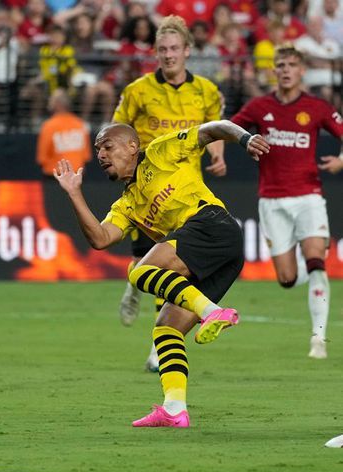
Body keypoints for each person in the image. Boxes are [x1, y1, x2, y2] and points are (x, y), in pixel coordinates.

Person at [53, 120, 269, 427]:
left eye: (107, 146)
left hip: (212, 224)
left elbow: (213, 128)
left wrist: (245, 138)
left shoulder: (160, 151)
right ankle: (174, 409)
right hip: (216, 254)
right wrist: (74, 193)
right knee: (166, 328)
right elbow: (100, 239)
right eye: (98, 149)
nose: (101, 154)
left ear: (132, 146)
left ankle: (212, 312)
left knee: (140, 273)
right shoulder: (126, 204)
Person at [112, 15, 225, 372]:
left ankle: (156, 349)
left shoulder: (206, 91)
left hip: (188, 196)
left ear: (188, 50)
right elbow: (117, 129)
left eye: (174, 48)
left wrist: (218, 156)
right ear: (155, 52)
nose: (168, 55)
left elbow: (213, 130)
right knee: (149, 271)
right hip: (149, 194)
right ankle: (134, 282)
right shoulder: (138, 91)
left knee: (177, 278)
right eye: (162, 49)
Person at [230, 46, 343, 359]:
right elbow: (231, 129)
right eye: (281, 65)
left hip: (309, 196)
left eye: (292, 65)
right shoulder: (259, 106)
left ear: (301, 70)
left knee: (318, 264)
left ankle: (318, 339)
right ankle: (310, 259)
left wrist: (341, 161)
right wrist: (246, 144)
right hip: (272, 201)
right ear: (274, 70)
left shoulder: (317, 107)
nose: (286, 70)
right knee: (287, 279)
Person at [36, 88, 91, 178]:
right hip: (77, 176)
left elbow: (42, 158)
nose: (49, 102)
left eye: (51, 100)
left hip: (54, 177)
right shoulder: (80, 124)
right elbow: (86, 156)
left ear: (58, 104)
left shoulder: (49, 126)